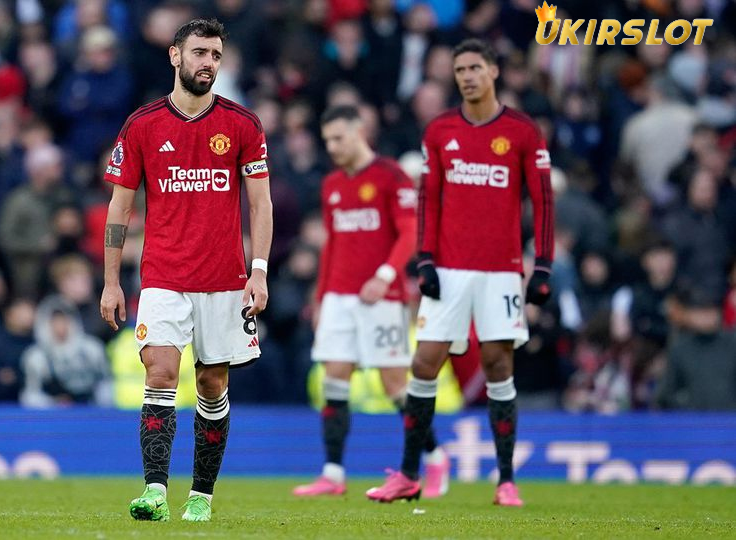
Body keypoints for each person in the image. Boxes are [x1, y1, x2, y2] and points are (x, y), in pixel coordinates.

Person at [366, 39, 554, 506]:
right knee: (424, 362)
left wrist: (544, 263)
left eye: (475, 67)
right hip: (447, 269)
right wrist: (425, 259)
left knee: (497, 365)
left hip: (501, 271)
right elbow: (428, 197)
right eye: (460, 69)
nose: (467, 76)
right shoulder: (440, 130)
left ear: (494, 71)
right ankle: (411, 473)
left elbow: (545, 201)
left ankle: (506, 480)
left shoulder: (523, 131)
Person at [99, 19, 272, 523]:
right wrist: (111, 281)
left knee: (213, 384)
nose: (208, 64)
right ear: (175, 56)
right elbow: (119, 210)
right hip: (163, 276)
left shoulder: (243, 124)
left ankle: (201, 495)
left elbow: (260, 206)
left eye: (216, 55)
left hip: (224, 280)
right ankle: (154, 490)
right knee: (161, 372)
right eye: (199, 53)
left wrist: (257, 271)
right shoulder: (143, 125)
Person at [292, 106, 449, 499]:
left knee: (394, 382)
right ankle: (332, 474)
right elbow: (332, 243)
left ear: (359, 131)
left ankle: (435, 457)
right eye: (327, 140)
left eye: (338, 138)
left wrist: (384, 276)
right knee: (334, 378)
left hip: (382, 298)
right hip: (339, 297)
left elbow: (410, 232)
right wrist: (321, 296)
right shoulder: (331, 185)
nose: (332, 147)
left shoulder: (389, 175)